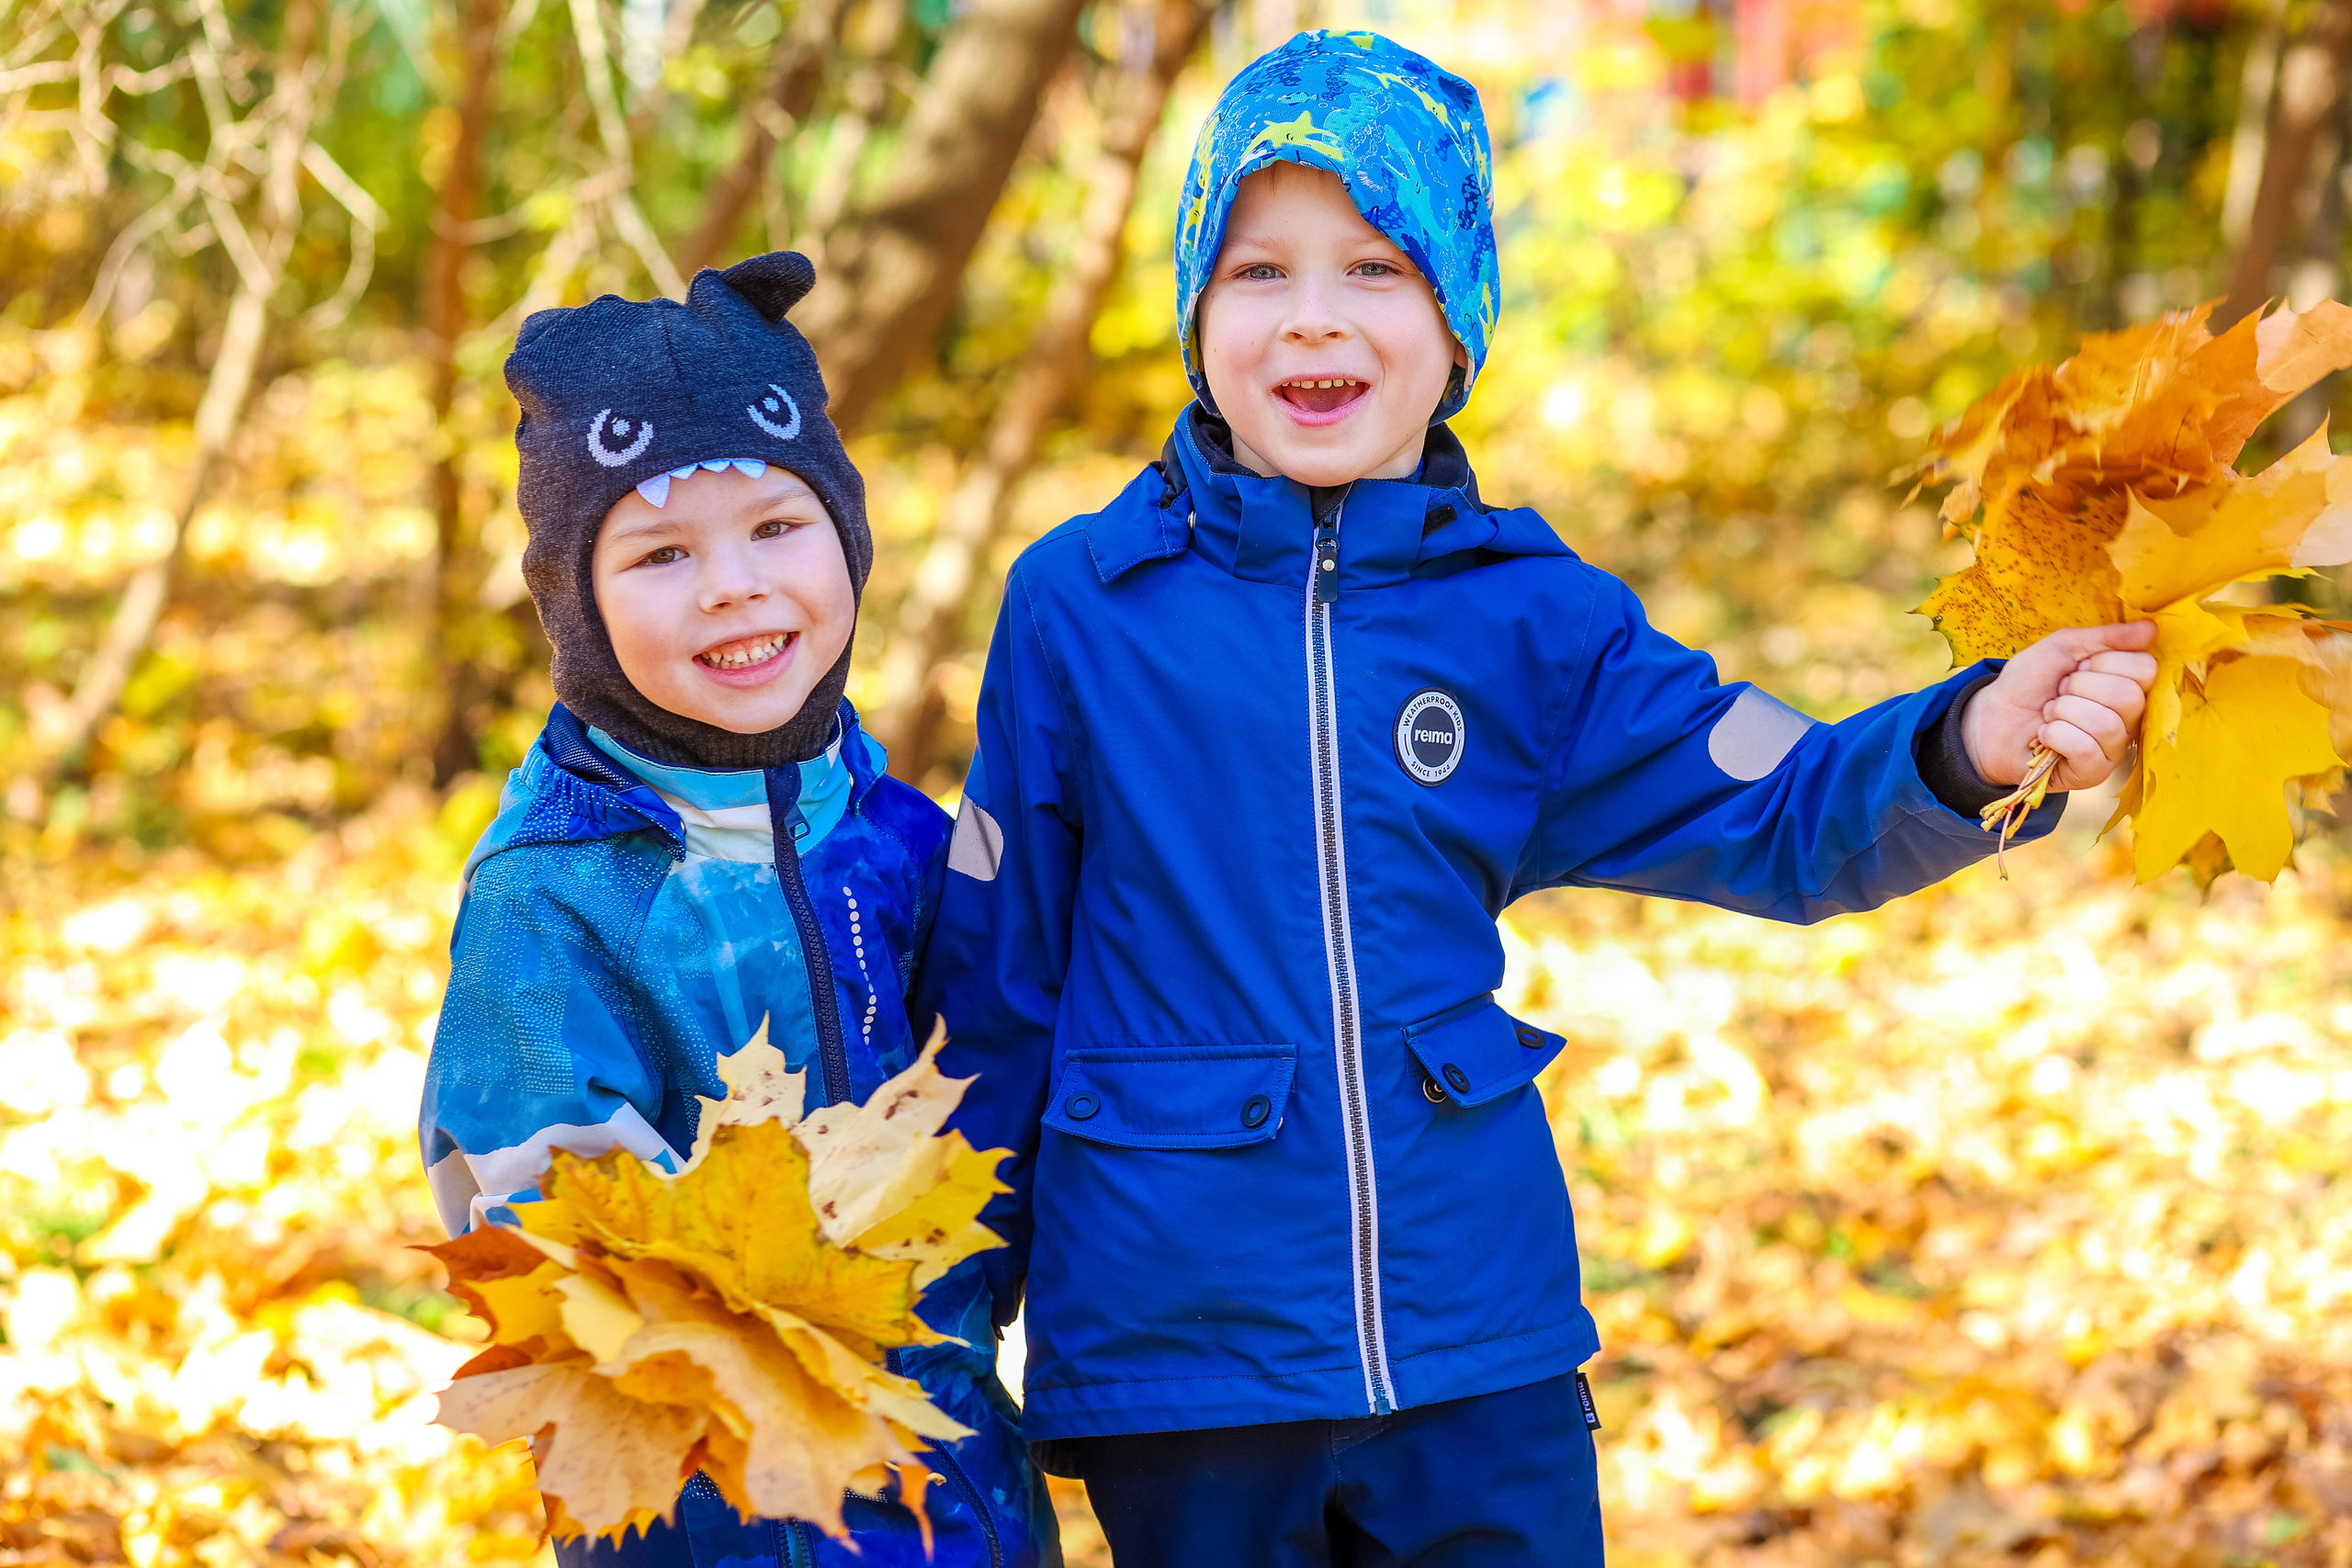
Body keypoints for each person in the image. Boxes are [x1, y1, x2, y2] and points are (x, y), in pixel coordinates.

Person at [920, 32, 2155, 1566]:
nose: (1316, 317)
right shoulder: (1084, 608)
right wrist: (936, 1329)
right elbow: (1001, 985)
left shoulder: (1534, 617)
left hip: (1478, 1342)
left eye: (1378, 269)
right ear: (1195, 309)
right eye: (1259, 272)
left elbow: (1777, 807)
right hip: (1187, 1355)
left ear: (1458, 326)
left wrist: (1972, 740)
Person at [416, 252, 1057, 1568]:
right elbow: (548, 1220)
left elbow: (1013, 1110)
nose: (732, 585)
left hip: (951, 1487)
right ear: (575, 605)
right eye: (660, 552)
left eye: (777, 527)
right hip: (705, 1507)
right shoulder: (559, 893)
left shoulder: (903, 842)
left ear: (845, 540)